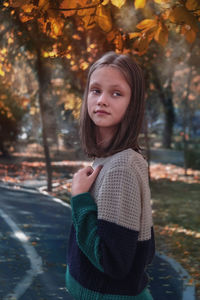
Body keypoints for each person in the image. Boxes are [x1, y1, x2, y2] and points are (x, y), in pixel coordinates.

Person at [66, 51, 155, 299]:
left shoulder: (121, 167)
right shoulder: (111, 159)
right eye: (95, 90)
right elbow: (141, 248)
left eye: (116, 93)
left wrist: (79, 198)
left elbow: (113, 262)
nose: (102, 100)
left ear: (132, 103)